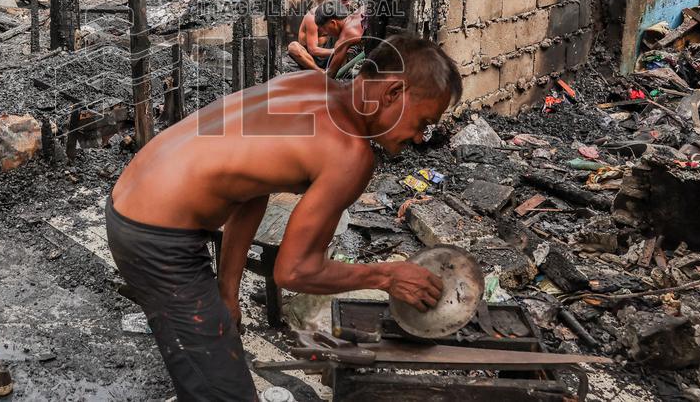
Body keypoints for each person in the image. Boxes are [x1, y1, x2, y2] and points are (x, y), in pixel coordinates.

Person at [108, 35, 457, 401]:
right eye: (424, 122)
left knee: (205, 367)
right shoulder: (350, 155)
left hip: (130, 196)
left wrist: (228, 292)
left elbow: (250, 188)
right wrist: (387, 275)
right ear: (393, 93)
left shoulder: (310, 83)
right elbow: (294, 272)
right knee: (225, 393)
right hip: (156, 240)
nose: (421, 137)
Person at [287, 0, 350, 72]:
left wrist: (343, 49)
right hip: (311, 59)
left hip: (331, 57)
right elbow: (313, 50)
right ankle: (320, 71)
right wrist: (336, 51)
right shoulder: (312, 18)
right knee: (293, 47)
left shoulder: (340, 18)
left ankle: (339, 70)